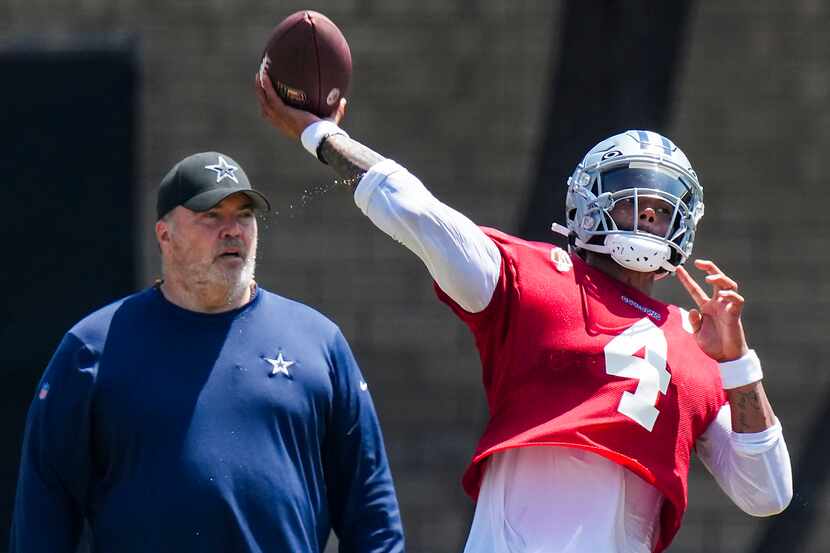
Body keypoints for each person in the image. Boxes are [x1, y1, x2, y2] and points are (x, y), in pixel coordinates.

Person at [255, 73, 793, 553]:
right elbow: (418, 213)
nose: (649, 210)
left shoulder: (698, 344)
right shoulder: (538, 275)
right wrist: (325, 137)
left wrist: (738, 365)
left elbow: (767, 494)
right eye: (631, 195)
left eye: (661, 201)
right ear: (587, 201)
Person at [10, 151, 404, 553]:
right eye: (211, 215)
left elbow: (371, 512)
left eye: (244, 214)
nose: (232, 230)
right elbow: (44, 512)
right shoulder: (92, 348)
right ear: (165, 235)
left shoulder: (319, 341)